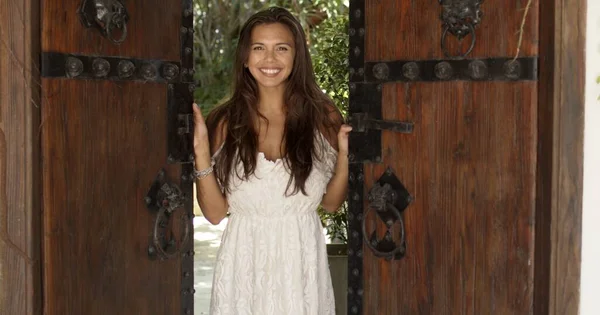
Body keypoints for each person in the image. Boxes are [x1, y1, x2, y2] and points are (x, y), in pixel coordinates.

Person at [191, 7, 351, 315]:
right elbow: (213, 214)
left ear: (296, 56)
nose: (270, 60)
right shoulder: (225, 122)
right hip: (242, 274)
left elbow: (331, 204)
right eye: (259, 48)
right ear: (245, 58)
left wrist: (344, 156)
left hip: (302, 272)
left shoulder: (322, 116)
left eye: (281, 48)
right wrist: (200, 151)